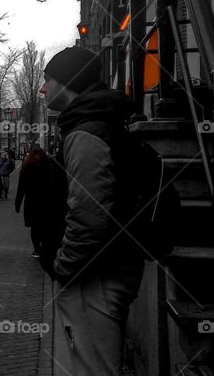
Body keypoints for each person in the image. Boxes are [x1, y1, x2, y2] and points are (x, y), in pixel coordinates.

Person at [39, 46, 144, 376]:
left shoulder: (85, 132)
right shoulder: (96, 123)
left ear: (67, 81)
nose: (42, 88)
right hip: (102, 270)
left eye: (48, 79)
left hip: (93, 277)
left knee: (90, 368)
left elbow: (89, 213)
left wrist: (64, 266)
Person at [14, 145, 66, 259]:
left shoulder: (27, 168)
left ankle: (37, 249)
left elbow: (21, 187)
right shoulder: (50, 167)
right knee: (45, 225)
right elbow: (58, 184)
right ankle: (45, 247)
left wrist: (17, 204)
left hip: (32, 202)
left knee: (35, 227)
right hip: (47, 201)